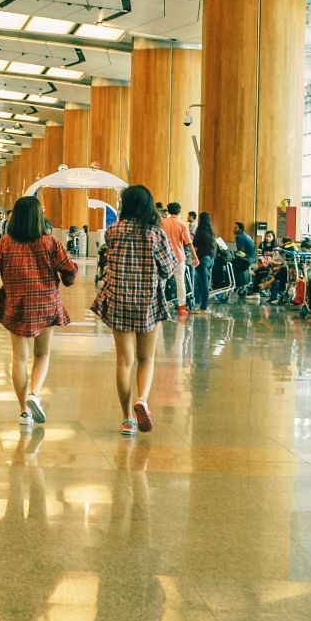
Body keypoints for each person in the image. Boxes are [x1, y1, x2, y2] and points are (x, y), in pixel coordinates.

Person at [0, 195, 77, 427]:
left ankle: (24, 412)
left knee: (19, 359)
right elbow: (69, 269)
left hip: (17, 305)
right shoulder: (49, 243)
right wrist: (67, 279)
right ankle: (34, 393)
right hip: (46, 304)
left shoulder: (6, 244)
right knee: (42, 354)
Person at [93, 185, 180, 436]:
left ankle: (127, 419)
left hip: (119, 299)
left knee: (124, 360)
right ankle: (142, 399)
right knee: (146, 358)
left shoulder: (113, 231)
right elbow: (168, 268)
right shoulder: (155, 233)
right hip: (147, 301)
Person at [192, 213, 219, 314]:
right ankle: (202, 305)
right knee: (204, 284)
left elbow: (194, 243)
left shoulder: (200, 231)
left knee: (203, 285)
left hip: (202, 259)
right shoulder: (211, 232)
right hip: (210, 260)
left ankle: (203, 307)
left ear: (200, 220)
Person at [233, 221, 257, 293]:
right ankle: (243, 285)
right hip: (252, 259)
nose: (234, 229)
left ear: (240, 229)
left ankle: (238, 284)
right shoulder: (247, 236)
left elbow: (241, 252)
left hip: (246, 260)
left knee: (231, 263)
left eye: (235, 228)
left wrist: (233, 253)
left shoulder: (239, 237)